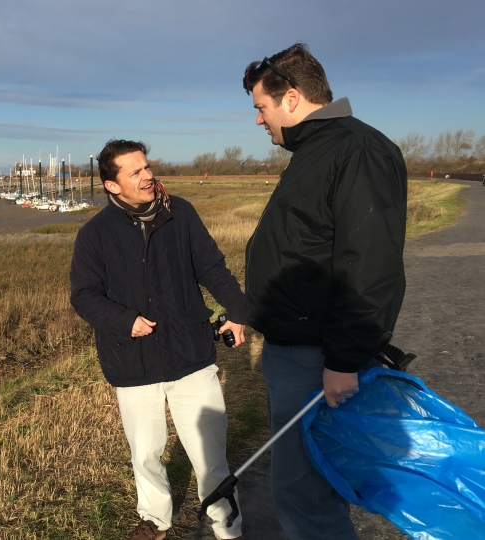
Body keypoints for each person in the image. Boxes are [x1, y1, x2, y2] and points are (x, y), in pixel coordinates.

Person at [242, 44, 407, 540]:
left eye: (260, 107)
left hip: (316, 359)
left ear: (291, 98)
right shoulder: (317, 151)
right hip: (298, 352)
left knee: (304, 495)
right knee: (302, 489)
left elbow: (369, 265)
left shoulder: (356, 149)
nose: (257, 121)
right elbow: (309, 247)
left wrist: (342, 359)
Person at [70, 139, 247, 540]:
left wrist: (238, 311)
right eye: (135, 172)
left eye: (146, 167)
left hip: (191, 355)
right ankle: (154, 519)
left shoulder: (179, 213)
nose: (148, 175)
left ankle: (227, 526)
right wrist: (123, 320)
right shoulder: (94, 234)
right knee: (145, 453)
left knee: (209, 453)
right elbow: (83, 295)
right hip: (131, 361)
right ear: (113, 185)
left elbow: (213, 268)